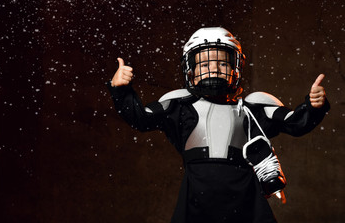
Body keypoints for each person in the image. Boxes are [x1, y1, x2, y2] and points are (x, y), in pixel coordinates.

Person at [107, 27, 330, 223]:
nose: (213, 69)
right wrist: (120, 90)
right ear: (190, 69)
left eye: (222, 62)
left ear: (236, 66)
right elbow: (140, 118)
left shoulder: (254, 105)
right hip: (196, 196)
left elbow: (296, 123)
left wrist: (313, 106)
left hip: (246, 196)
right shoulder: (179, 104)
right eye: (204, 63)